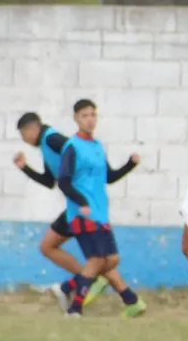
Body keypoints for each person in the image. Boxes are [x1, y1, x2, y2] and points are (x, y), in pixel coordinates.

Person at [56, 99, 146, 318]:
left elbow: (109, 176)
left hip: (100, 212)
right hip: (82, 214)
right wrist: (82, 202)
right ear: (76, 119)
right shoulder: (72, 147)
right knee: (97, 260)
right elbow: (63, 182)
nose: (90, 119)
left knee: (111, 259)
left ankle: (67, 287)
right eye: (85, 115)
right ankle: (75, 309)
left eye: (93, 115)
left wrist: (130, 164)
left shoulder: (97, 146)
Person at [13, 112, 109, 306]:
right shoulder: (45, 145)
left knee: (50, 247)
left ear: (32, 129)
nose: (24, 140)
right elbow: (49, 181)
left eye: (24, 135)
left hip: (83, 203)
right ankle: (94, 281)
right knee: (52, 247)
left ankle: (91, 281)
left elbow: (75, 148)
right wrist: (24, 167)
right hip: (78, 204)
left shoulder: (51, 139)